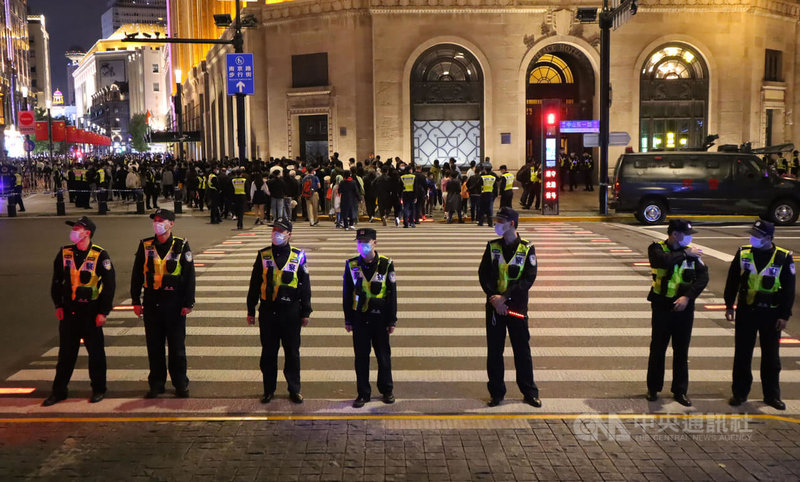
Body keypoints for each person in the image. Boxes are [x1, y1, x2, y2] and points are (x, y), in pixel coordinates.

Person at [43, 216, 115, 406]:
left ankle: (99, 389)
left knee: (96, 355)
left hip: (91, 313)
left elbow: (109, 286)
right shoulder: (65, 253)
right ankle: (59, 391)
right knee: (66, 355)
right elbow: (56, 281)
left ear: (87, 233)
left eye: (77, 228)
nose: (74, 231)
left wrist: (103, 312)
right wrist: (58, 304)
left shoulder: (100, 255)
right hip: (69, 312)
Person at [725, 219, 795, 410]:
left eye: (757, 235)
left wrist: (784, 315)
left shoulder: (783, 257)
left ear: (768, 238)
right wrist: (729, 305)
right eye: (752, 234)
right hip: (747, 311)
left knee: (771, 357)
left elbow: (789, 289)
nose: (752, 238)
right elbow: (732, 280)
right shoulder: (743, 253)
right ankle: (739, 393)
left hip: (771, 314)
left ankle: (771, 396)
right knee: (742, 354)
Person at [478, 207, 540, 408]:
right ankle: (497, 393)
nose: (496, 224)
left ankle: (529, 392)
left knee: (522, 351)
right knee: (494, 352)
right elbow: (483, 274)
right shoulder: (492, 247)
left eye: (500, 221)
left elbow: (528, 279)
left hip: (516, 308)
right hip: (495, 307)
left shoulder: (527, 248)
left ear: (511, 224)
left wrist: (504, 299)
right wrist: (494, 299)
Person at [131, 209, 196, 399]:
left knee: (177, 347)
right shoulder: (145, 245)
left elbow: (189, 276)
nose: (157, 223)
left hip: (174, 303)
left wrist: (189, 302)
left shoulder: (182, 245)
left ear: (171, 224)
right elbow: (137, 275)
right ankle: (157, 383)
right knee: (154, 346)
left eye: (161, 220)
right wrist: (135, 300)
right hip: (152, 302)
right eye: (155, 220)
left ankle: (180, 383)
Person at [246, 217, 311, 404]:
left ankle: (294, 389)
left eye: (280, 231)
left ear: (289, 235)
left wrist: (306, 311)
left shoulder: (298, 255)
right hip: (268, 312)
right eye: (274, 230)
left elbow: (305, 286)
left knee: (292, 353)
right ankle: (268, 390)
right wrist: (251, 309)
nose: (276, 234)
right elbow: (255, 284)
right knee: (268, 353)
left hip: (291, 312)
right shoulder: (263, 255)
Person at [645, 219, 708, 407]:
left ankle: (680, 391)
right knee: (658, 349)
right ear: (674, 235)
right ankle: (653, 388)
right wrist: (684, 253)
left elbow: (703, 277)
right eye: (686, 234)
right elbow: (662, 262)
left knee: (681, 351)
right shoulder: (657, 249)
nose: (689, 238)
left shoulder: (692, 253)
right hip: (662, 307)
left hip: (684, 309)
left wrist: (687, 297)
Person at [343, 228, 397, 408]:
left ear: (375, 242)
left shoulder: (386, 264)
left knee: (383, 356)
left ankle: (387, 390)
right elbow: (347, 293)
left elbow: (392, 294)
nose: (362, 246)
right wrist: (348, 319)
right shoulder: (351, 265)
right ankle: (363, 393)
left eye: (366, 242)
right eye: (359, 242)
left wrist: (392, 320)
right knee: (361, 358)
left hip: (380, 319)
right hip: (360, 319)